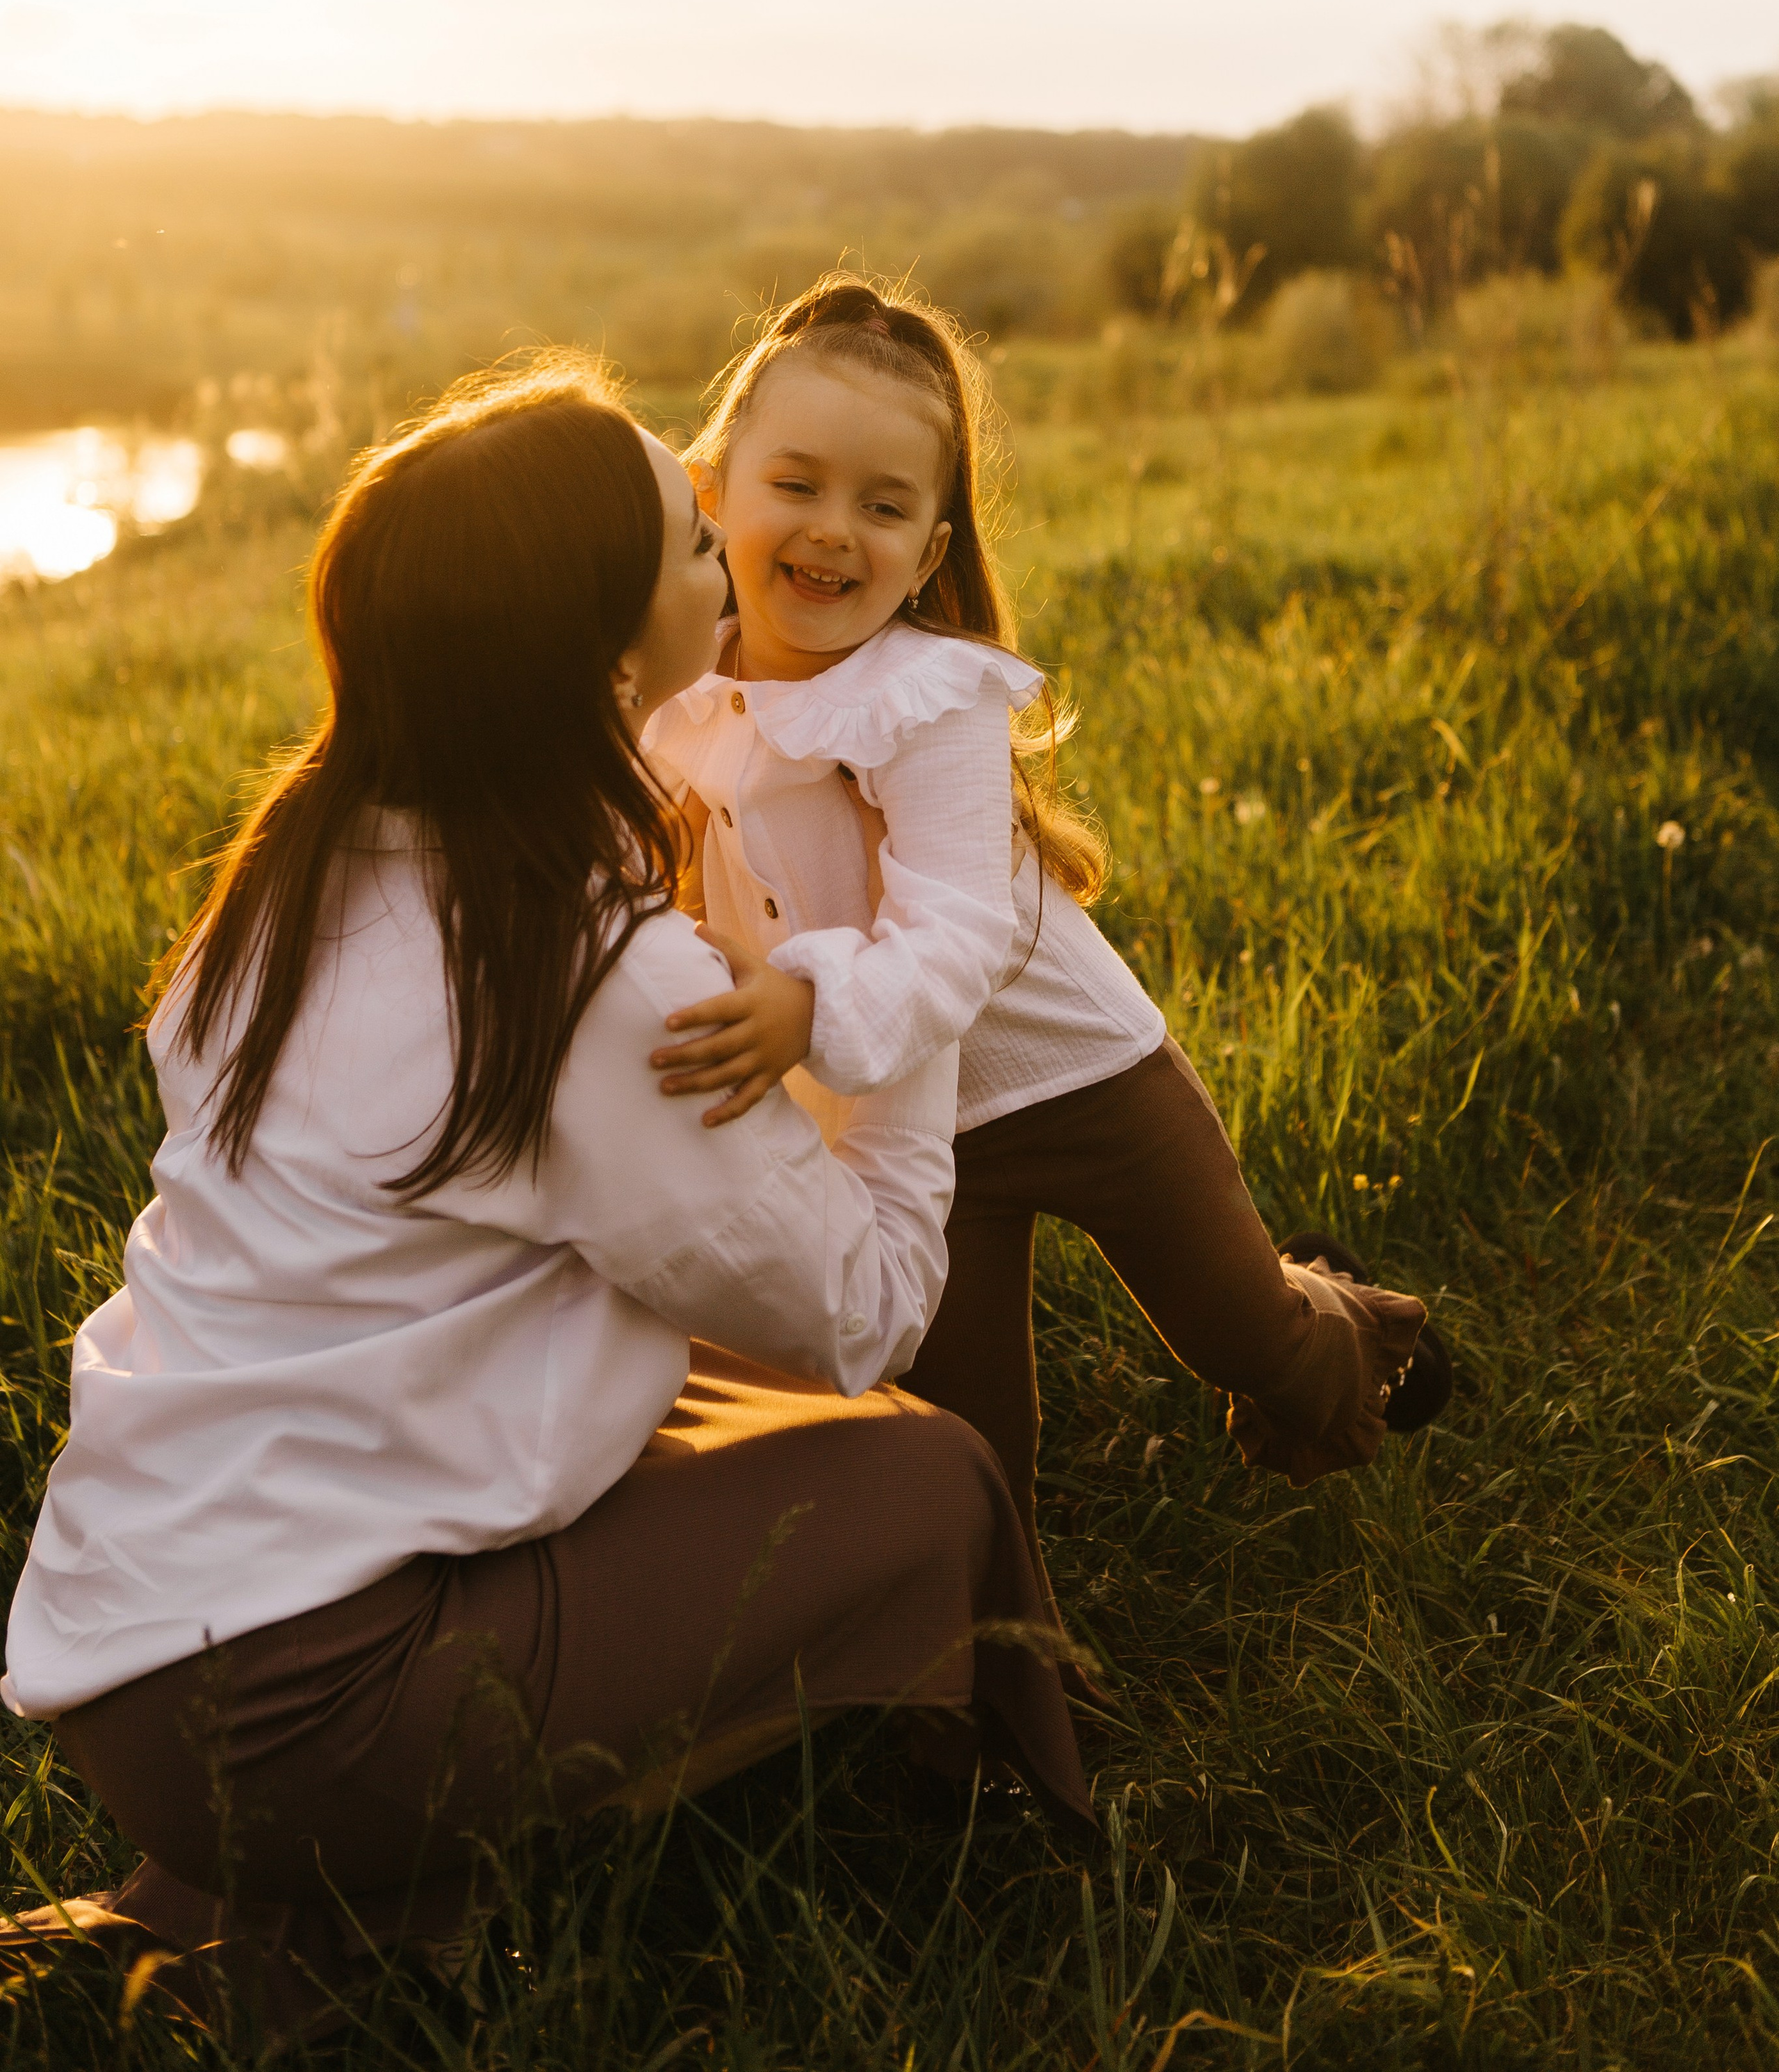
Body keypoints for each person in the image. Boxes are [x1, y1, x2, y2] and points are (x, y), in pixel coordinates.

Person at [0, 357, 1088, 2036]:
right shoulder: (580, 972)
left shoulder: (290, 877)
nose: (730, 557)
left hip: (128, 1642)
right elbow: (868, 1310)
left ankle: (238, 1923)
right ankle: (1005, 1873)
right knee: (925, 1483)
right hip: (302, 1709)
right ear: (600, 645)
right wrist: (904, 979)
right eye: (690, 543)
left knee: (710, 1394)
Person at [645, 275, 1444, 1621]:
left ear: (931, 537)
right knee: (961, 1436)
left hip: (1074, 1080)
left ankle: (1346, 1325)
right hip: (903, 1136)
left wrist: (797, 1005)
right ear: (712, 489)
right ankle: (993, 1674)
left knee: (1240, 1336)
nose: (834, 532)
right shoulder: (679, 683)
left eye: (883, 506)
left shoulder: (927, 697)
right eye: (797, 485)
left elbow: (954, 939)